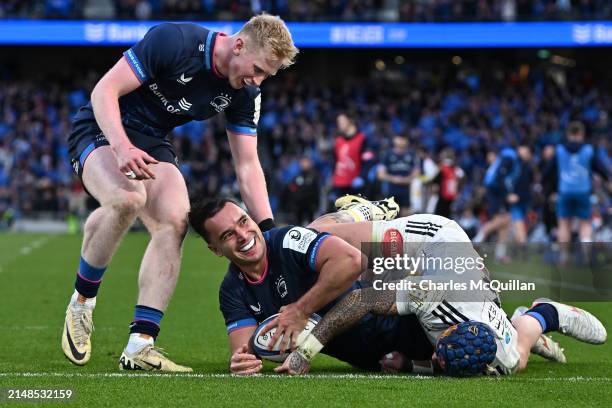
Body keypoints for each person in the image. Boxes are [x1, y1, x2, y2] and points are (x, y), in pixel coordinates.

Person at [61, 14, 299, 372]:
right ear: (238, 45)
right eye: (258, 69)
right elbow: (103, 92)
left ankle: (140, 345)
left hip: (152, 141)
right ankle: (82, 303)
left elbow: (248, 166)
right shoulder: (175, 41)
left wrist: (269, 233)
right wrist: (122, 147)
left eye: (266, 75)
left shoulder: (245, 92)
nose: (258, 79)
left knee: (175, 220)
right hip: (101, 128)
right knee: (128, 198)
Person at [275, 215, 607, 376]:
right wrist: (305, 352)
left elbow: (440, 361)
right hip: (436, 240)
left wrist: (410, 365)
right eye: (439, 356)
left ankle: (540, 312)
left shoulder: (501, 358)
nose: (434, 361)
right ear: (445, 333)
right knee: (327, 236)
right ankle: (363, 212)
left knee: (521, 353)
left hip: (472, 289)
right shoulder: (430, 295)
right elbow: (363, 300)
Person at [188, 197, 432, 375]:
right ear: (215, 250)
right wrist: (242, 360)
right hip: (369, 358)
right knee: (314, 232)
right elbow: (247, 347)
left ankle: (358, 214)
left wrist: (301, 310)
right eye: (227, 235)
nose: (243, 234)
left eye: (244, 221)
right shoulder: (232, 289)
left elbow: (353, 261)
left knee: (459, 356)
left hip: (406, 324)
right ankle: (355, 213)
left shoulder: (286, 241)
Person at [544, 121, 610, 245]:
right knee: (585, 223)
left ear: (568, 134)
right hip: (583, 192)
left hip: (564, 192)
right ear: (581, 134)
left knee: (563, 224)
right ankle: (586, 256)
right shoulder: (588, 150)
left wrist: (550, 190)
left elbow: (547, 173)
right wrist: (608, 180)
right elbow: (601, 169)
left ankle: (564, 259)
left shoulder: (559, 150)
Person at [377, 135, 420, 215]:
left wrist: (407, 179)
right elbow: (380, 174)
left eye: (403, 139)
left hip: (407, 190)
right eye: (399, 139)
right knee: (389, 215)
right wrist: (394, 179)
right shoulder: (387, 154)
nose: (400, 141)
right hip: (390, 189)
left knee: (405, 217)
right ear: (394, 141)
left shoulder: (412, 155)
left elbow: (417, 172)